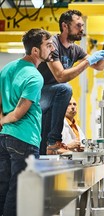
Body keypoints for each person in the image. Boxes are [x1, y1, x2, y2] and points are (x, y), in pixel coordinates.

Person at [0, 29, 54, 216]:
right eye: (48, 45)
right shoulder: (34, 77)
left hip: (5, 139)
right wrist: (4, 120)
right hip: (24, 139)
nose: (52, 48)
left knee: (3, 189)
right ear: (35, 51)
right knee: (20, 195)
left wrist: (2, 123)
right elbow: (18, 114)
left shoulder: (7, 69)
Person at [37, 10, 104, 155]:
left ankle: (48, 148)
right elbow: (60, 76)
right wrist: (88, 61)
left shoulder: (75, 50)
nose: (82, 29)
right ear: (65, 26)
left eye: (82, 26)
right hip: (37, 93)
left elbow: (99, 66)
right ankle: (54, 141)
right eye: (78, 25)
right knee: (65, 89)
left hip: (52, 97)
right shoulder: (52, 44)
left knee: (43, 138)